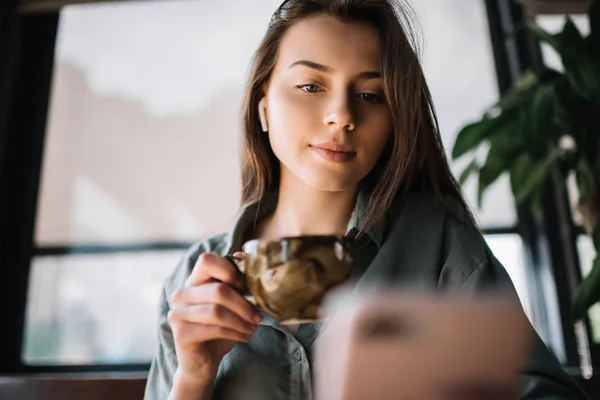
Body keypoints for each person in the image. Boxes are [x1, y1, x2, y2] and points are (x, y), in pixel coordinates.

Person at [144, 1, 590, 399]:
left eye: (370, 95)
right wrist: (193, 378)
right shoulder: (193, 277)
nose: (341, 115)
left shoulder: (441, 249)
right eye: (310, 86)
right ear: (263, 108)